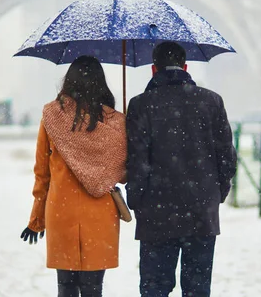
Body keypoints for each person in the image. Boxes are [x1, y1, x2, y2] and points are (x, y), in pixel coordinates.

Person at [126, 42, 237, 297]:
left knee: (154, 287)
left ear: (153, 69)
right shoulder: (212, 101)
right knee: (197, 289)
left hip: (156, 212)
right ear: (186, 67)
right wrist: (214, 195)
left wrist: (137, 200)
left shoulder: (141, 105)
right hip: (201, 212)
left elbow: (137, 161)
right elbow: (227, 158)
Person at [20, 56, 127, 297]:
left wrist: (37, 219)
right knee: (93, 288)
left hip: (61, 211)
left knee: (66, 287)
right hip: (100, 213)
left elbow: (42, 173)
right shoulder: (116, 122)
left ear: (69, 81)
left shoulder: (52, 116)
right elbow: (124, 171)